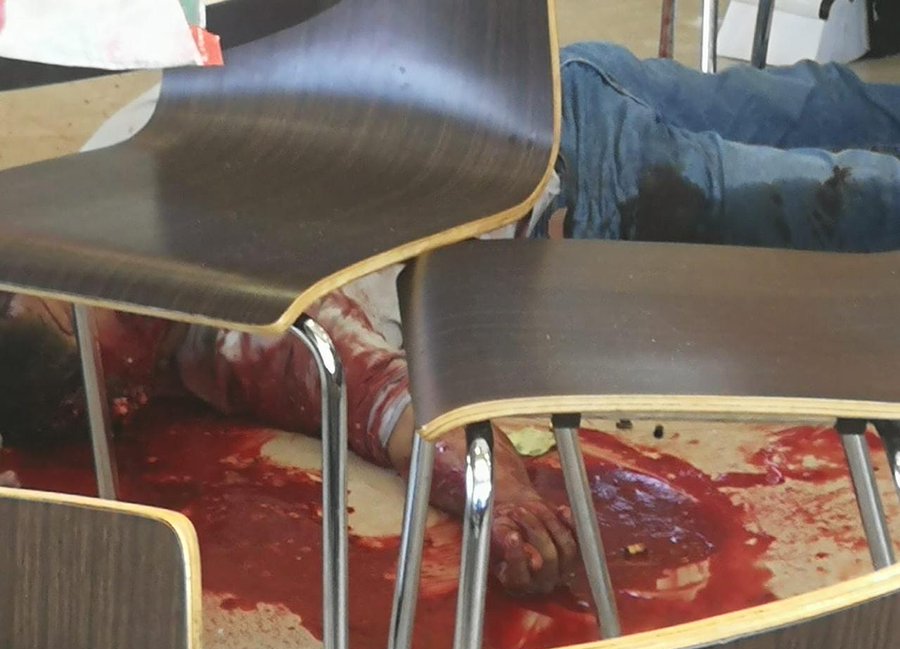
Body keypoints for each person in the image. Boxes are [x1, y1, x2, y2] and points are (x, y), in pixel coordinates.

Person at [2, 42, 900, 596]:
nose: (99, 286)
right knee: (842, 136)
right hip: (541, 100)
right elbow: (385, 397)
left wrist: (499, 491)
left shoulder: (184, 274)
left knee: (852, 154)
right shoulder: (140, 195)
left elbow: (383, 394)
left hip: (575, 150)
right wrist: (497, 490)